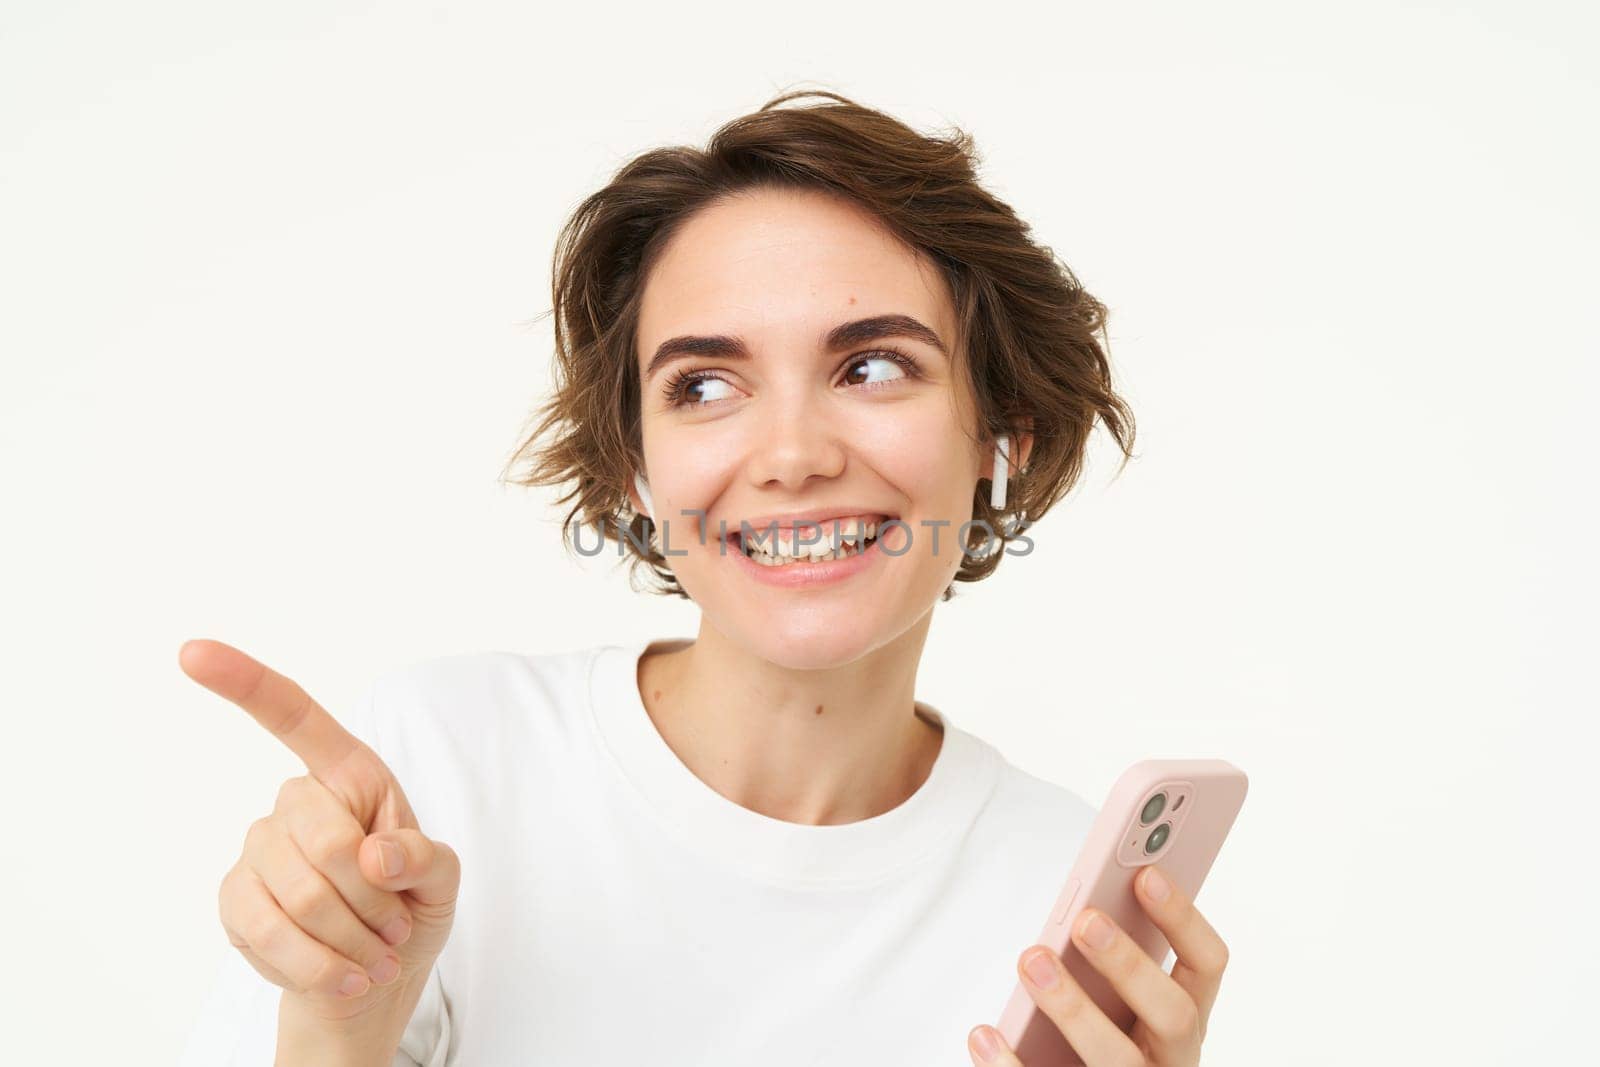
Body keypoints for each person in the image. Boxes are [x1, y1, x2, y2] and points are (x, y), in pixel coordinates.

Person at [176, 90, 1232, 1066]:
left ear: (1002, 434)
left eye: (871, 366)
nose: (791, 453)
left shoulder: (1065, 902)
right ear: (633, 467)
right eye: (706, 383)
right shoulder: (445, 771)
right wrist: (336, 1020)